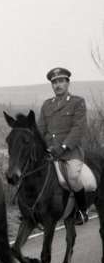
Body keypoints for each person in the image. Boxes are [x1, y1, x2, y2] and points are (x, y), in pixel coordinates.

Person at [37, 67, 88, 224]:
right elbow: (41, 130)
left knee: (72, 177)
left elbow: (78, 128)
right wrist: (46, 147)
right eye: (54, 83)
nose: (57, 85)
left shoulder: (77, 102)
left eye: (61, 81)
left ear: (67, 83)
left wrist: (63, 147)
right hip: (50, 152)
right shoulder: (47, 105)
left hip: (70, 152)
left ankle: (82, 211)